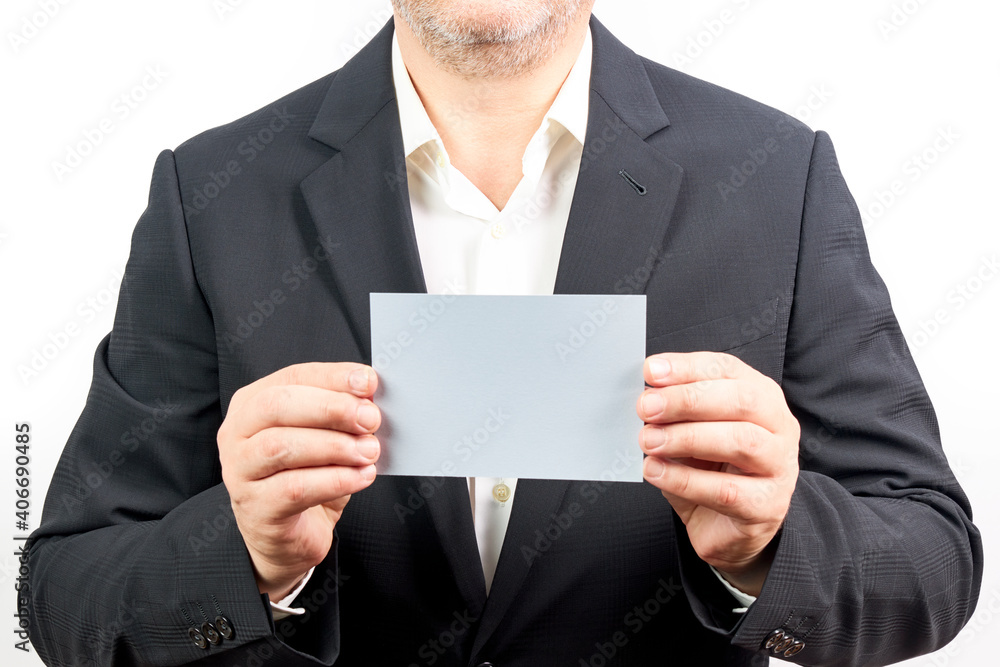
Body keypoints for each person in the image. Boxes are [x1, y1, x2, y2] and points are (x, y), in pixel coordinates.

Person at [25, 1, 982, 665]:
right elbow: (61, 591)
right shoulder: (212, 194)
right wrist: (241, 556)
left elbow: (935, 558)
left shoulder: (779, 180)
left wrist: (772, 542)